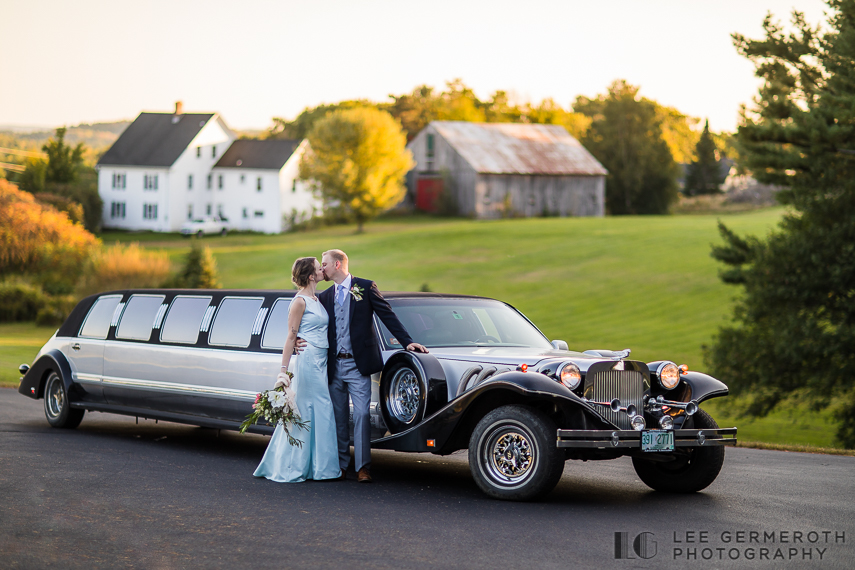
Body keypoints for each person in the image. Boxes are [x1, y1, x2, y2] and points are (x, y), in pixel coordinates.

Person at [318, 249, 428, 483]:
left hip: (359, 365)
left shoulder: (365, 287)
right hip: (333, 366)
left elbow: (387, 315)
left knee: (361, 415)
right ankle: (340, 466)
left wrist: (407, 342)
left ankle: (363, 468)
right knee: (338, 417)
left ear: (337, 264)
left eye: (325, 264)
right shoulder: (324, 296)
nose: (321, 269)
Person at [253, 257, 341, 483]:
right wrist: (283, 373)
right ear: (311, 276)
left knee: (316, 410)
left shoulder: (316, 298)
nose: (322, 269)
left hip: (321, 360)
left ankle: (319, 467)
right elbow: (291, 336)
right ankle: (297, 466)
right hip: (309, 360)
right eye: (317, 267)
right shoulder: (300, 301)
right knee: (315, 408)